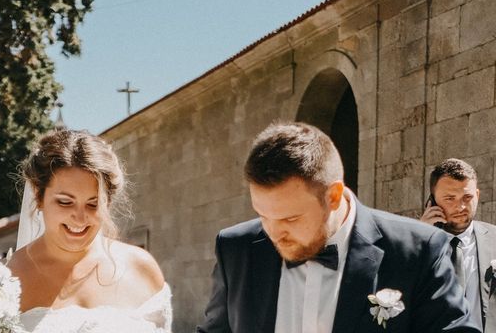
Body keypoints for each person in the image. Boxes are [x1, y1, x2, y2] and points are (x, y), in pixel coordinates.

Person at [197, 121, 480, 333]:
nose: (272, 232)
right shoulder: (236, 248)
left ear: (333, 196)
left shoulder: (419, 251)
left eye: (290, 219)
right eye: (262, 215)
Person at [9, 129, 172, 333]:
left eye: (93, 204)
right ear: (38, 196)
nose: (80, 217)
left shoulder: (142, 268)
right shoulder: (7, 279)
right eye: (65, 202)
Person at [420, 158, 496, 332]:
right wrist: (421, 237)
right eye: (449, 198)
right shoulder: (415, 245)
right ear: (432, 201)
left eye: (467, 197)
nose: (460, 206)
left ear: (477, 195)